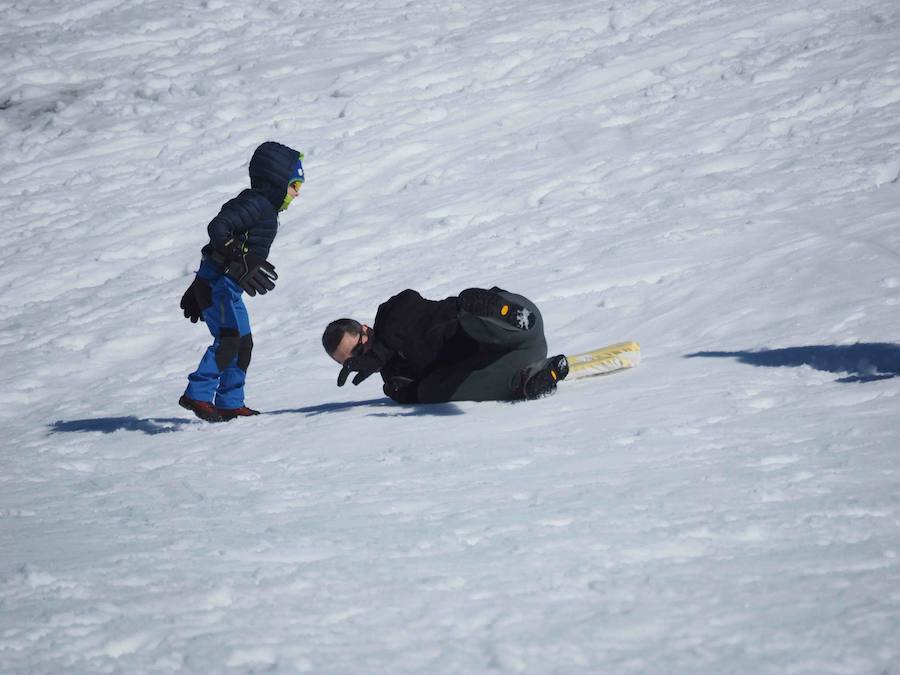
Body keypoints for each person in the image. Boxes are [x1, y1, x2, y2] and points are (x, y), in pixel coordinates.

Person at [178, 141, 305, 422]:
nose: (297, 193)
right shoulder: (254, 203)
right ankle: (197, 394)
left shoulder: (265, 209)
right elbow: (218, 228)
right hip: (219, 284)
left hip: (227, 288)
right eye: (294, 184)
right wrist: (237, 258)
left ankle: (230, 402)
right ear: (276, 181)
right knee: (229, 340)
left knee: (242, 343)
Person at [321, 287, 569, 403]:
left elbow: (409, 303)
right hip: (518, 359)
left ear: (365, 329)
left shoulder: (391, 312)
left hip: (515, 327)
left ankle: (500, 311)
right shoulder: (394, 375)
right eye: (350, 363)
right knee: (431, 390)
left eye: (358, 350)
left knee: (472, 317)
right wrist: (404, 393)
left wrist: (382, 349)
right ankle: (533, 379)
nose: (360, 360)